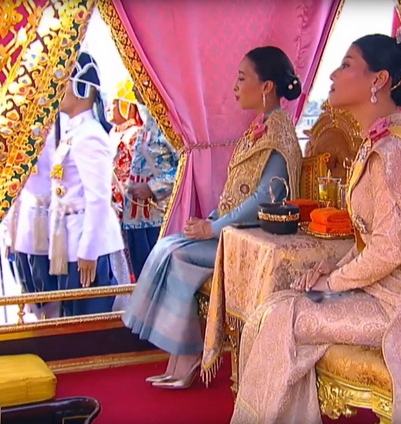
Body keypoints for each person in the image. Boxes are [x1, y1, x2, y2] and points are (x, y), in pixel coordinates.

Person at [231, 34, 401, 424]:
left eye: (346, 65)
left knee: (277, 317)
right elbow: (371, 240)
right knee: (274, 306)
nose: (333, 76)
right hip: (378, 292)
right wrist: (331, 270)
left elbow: (389, 251)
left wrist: (333, 282)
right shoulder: (381, 145)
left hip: (400, 307)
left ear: (379, 80)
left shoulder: (393, 153)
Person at [123, 46, 304, 390]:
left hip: (254, 239)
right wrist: (211, 221)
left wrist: (213, 227)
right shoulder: (261, 128)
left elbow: (265, 198)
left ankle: (189, 354)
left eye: (242, 78)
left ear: (266, 86)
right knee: (168, 246)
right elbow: (238, 192)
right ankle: (179, 355)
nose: (235, 86)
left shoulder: (280, 135)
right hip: (235, 230)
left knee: (177, 256)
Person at [48, 52, 131, 316]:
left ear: (81, 87)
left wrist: (88, 250)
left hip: (88, 248)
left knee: (90, 322)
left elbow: (98, 198)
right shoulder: (74, 132)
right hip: (68, 241)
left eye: (64, 81)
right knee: (72, 318)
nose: (58, 89)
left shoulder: (90, 135)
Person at [3, 125, 60, 318]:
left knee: (46, 285)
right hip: (19, 222)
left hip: (46, 221)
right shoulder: (14, 135)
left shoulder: (55, 132)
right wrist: (9, 235)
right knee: (27, 284)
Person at [121, 87, 178, 278]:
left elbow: (187, 167)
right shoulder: (148, 123)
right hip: (135, 218)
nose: (134, 89)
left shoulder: (170, 124)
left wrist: (152, 188)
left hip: (158, 218)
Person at [109, 78, 144, 216]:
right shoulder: (114, 134)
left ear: (126, 105)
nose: (108, 108)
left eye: (114, 103)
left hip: (130, 208)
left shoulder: (136, 133)